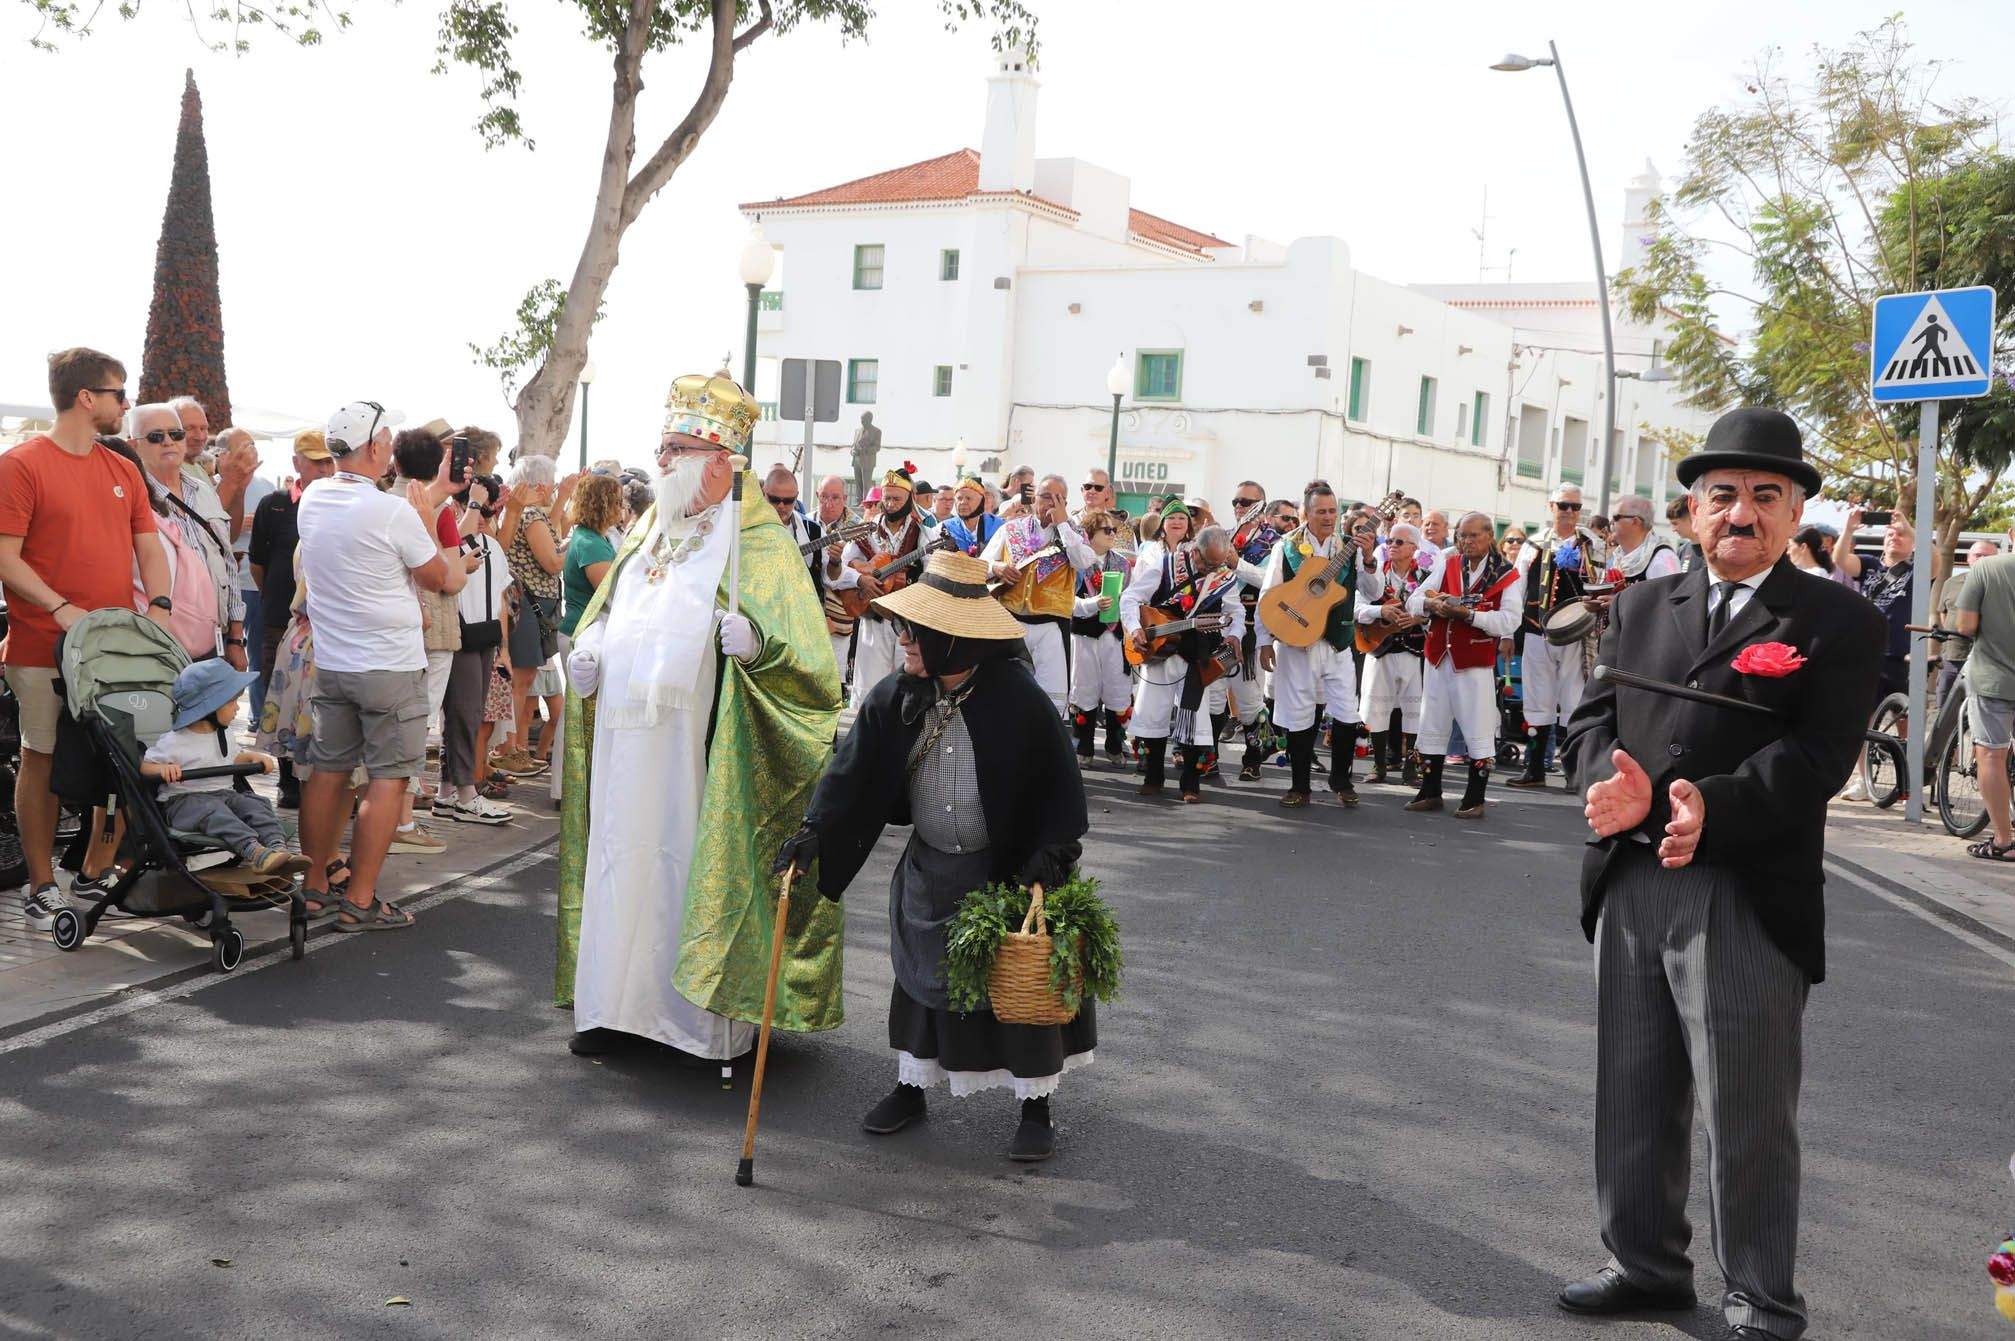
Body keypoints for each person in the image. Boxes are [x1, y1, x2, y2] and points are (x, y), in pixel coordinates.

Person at [1560, 407, 1884, 1340]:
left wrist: (1713, 805)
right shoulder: (1638, 603)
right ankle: (1643, 1263)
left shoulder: (1837, 619)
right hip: (1629, 877)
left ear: (1793, 514)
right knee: (1631, 1086)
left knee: (1745, 1106)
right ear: (1690, 510)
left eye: (1763, 496)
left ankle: (1761, 1295)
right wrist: (1607, 791)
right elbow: (1591, 722)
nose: (1739, 513)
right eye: (1721, 495)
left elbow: (1818, 756)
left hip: (1744, 885)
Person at [558, 370, 844, 1064]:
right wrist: (591, 648)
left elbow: (809, 668)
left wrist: (758, 648)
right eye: (662, 446)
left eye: (676, 448)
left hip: (702, 745)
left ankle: (697, 1022)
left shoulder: (758, 541)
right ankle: (610, 1007)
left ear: (721, 461)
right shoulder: (651, 526)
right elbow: (614, 608)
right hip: (628, 736)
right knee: (618, 857)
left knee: (685, 864)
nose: (660, 461)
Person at [775, 549, 1089, 1162]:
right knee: (920, 984)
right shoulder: (897, 696)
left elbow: (1059, 779)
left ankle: (1035, 1106)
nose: (905, 639)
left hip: (1002, 869)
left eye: (918, 630)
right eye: (903, 626)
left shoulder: (1016, 698)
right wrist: (815, 832)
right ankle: (910, 1089)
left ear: (957, 638)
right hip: (930, 870)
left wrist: (1053, 851)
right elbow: (852, 771)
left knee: (1017, 988)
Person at [0, 349, 173, 930]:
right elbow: (5, 556)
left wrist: (162, 607)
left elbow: (149, 545)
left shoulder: (122, 469)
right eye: (119, 393)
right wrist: (59, 607)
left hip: (114, 649)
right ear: (86, 398)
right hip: (41, 643)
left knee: (121, 757)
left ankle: (94, 870)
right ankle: (41, 882)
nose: (126, 404)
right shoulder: (21, 465)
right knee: (43, 758)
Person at [294, 400, 466, 932]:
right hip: (389, 663)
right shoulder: (391, 510)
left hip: (337, 660)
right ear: (373, 447)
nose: (391, 446)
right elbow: (443, 578)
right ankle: (361, 898)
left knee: (328, 772)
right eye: (386, 439)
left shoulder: (314, 497)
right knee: (389, 780)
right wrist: (443, 539)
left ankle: (317, 885)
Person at [1257, 484, 1382, 808]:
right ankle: (1300, 786)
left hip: (1338, 643)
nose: (1328, 517)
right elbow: (1268, 596)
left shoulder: (1351, 547)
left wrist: (1369, 558)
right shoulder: (1286, 547)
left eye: (1332, 511)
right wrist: (1264, 641)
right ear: (1306, 513)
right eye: (1321, 511)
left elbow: (1372, 590)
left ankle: (1340, 779)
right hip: (1297, 642)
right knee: (1299, 716)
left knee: (1346, 713)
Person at [1406, 511, 1525, 818]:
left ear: (1489, 537)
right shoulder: (1448, 563)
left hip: (1474, 661)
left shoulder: (1505, 574)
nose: (1467, 541)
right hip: (1437, 656)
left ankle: (1475, 797)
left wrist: (1470, 617)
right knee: (1431, 721)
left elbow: (1510, 620)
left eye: (1474, 535)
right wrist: (1432, 604)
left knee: (1478, 725)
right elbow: (1413, 600)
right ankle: (1430, 790)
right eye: (1462, 535)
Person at [1123, 511, 1244, 802]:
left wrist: (1234, 635)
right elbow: (1130, 597)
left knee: (1193, 716)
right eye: (1205, 562)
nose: (1209, 569)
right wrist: (1136, 628)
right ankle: (1153, 777)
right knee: (1152, 712)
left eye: (1216, 564)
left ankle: (1190, 783)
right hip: (1158, 651)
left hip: (1195, 652)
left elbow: (1236, 612)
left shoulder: (1223, 578)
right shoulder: (1165, 565)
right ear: (1195, 549)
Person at [142, 660, 301, 875]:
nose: (237, 707)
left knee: (255, 804)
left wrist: (251, 758)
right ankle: (255, 852)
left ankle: (277, 849)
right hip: (185, 802)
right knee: (215, 812)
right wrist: (162, 770)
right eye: (232, 702)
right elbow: (144, 766)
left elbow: (230, 760)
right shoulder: (175, 741)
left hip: (224, 794)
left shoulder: (224, 733)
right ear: (210, 707)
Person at [249, 429, 335, 809]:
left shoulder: (342, 505)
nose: (323, 468)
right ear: (297, 462)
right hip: (282, 620)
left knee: (325, 706)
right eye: (315, 460)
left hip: (330, 626)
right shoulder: (275, 504)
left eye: (328, 460)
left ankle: (324, 780)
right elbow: (258, 564)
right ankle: (288, 782)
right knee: (280, 698)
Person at [129, 402, 247, 667]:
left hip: (214, 643)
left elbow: (226, 560)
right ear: (134, 445)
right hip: (159, 647)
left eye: (176, 434)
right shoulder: (133, 499)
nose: (169, 442)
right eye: (156, 436)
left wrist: (236, 639)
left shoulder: (203, 490)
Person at [1509, 483, 1608, 788]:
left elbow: (1604, 582)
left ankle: (1572, 773)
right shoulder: (1533, 544)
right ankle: (1535, 769)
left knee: (1574, 700)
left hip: (1576, 634)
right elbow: (1517, 588)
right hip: (1536, 630)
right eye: (1563, 505)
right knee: (1537, 700)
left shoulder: (1592, 544)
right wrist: (1509, 632)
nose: (1569, 512)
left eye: (1575, 507)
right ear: (1551, 506)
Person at [982, 473, 1096, 715]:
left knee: (1048, 700)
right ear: (1034, 500)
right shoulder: (1011, 528)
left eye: (1059, 499)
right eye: (1046, 497)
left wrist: (1063, 524)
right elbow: (980, 566)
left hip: (1051, 626)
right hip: (1009, 623)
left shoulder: (1074, 534)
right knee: (1004, 692)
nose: (1051, 504)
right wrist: (997, 568)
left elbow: (1082, 562)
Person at [436, 477, 515, 826]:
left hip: (484, 638)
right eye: (473, 506)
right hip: (458, 636)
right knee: (463, 715)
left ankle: (448, 791)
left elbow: (500, 599)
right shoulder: (449, 540)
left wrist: (503, 648)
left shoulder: (493, 547)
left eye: (486, 507)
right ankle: (465, 793)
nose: (480, 515)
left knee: (467, 714)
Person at [496, 455, 574, 776]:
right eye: (552, 483)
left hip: (530, 602)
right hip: (526, 603)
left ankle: (512, 746)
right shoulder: (530, 516)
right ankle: (509, 748)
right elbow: (552, 562)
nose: (555, 488)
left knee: (525, 681)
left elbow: (556, 531)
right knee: (520, 680)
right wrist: (577, 544)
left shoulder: (533, 515)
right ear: (541, 484)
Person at [832, 465, 929, 708]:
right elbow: (838, 571)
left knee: (906, 685)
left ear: (909, 499)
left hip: (907, 621)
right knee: (869, 688)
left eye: (897, 499)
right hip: (872, 617)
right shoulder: (867, 529)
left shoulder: (923, 532)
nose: (891, 504)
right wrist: (860, 579)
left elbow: (931, 574)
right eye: (886, 498)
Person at [1954, 544, 2015, 861]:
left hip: (1994, 676)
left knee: (1991, 754)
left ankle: (2004, 841)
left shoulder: (1986, 568)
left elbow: (1965, 626)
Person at [1360, 521, 1429, 785]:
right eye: (1389, 541)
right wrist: (1380, 612)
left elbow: (1434, 613)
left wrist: (1419, 620)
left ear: (1414, 548)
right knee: (1376, 709)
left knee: (1414, 713)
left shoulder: (1426, 578)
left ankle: (1411, 769)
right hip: (1380, 649)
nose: (1391, 546)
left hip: (1413, 652)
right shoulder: (1374, 576)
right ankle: (1379, 766)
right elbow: (1357, 607)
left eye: (1399, 542)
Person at [1225, 483, 1283, 780]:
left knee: (1248, 698)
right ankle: (1205, 759)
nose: (1238, 506)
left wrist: (1237, 565)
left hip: (1250, 628)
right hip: (1219, 626)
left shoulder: (1275, 543)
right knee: (1211, 694)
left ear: (1261, 505)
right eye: (1235, 501)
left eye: (1245, 501)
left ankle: (1254, 757)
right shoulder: (1226, 537)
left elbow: (1272, 582)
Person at [1067, 507, 1132, 765]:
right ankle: (1084, 746)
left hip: (1114, 634)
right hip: (1084, 634)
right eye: (1107, 530)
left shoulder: (1122, 563)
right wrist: (1091, 604)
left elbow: (1130, 598)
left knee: (1117, 687)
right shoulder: (1077, 563)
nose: (1112, 534)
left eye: (1114, 530)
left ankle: (1115, 744)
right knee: (1084, 687)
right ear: (1089, 534)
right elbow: (1066, 600)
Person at [1831, 507, 1916, 701]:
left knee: (1904, 712)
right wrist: (1849, 530)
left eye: (1902, 535)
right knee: (1863, 707)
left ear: (1913, 543)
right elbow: (1840, 559)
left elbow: (1934, 561)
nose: (1895, 538)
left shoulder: (1918, 570)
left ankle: (1905, 734)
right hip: (1868, 650)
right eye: (1890, 534)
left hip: (1900, 655)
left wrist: (1909, 528)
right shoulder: (1869, 564)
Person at [1935, 540, 1998, 710]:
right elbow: (1944, 613)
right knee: (1945, 706)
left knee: (1982, 709)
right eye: (1978, 555)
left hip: (1988, 659)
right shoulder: (1951, 583)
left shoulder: (2002, 585)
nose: (1982, 559)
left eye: (1988, 556)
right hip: (1953, 656)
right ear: (1969, 558)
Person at [561, 473, 624, 639]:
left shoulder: (592, 536)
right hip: (585, 634)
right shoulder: (591, 544)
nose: (622, 507)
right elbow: (612, 594)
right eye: (617, 502)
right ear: (602, 506)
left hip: (587, 631)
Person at [811, 474, 858, 680]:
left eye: (835, 498)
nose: (828, 503)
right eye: (824, 497)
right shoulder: (805, 524)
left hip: (839, 615)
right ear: (816, 496)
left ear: (845, 499)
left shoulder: (858, 527)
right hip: (807, 613)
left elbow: (867, 569)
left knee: (833, 676)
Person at [1608, 495, 1680, 585]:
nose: (1611, 522)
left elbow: (1668, 597)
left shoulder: (1662, 558)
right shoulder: (1620, 556)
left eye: (1615, 517)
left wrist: (1618, 599)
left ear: (1635, 521)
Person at [940, 474, 1002, 557]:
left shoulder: (999, 527)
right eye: (959, 498)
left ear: (981, 502)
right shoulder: (944, 527)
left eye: (968, 498)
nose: (963, 502)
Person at [1667, 493, 1702, 571]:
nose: (1673, 529)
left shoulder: (1713, 551)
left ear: (1692, 517)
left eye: (1675, 523)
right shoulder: (1682, 551)